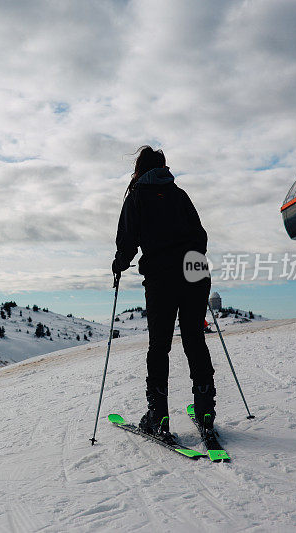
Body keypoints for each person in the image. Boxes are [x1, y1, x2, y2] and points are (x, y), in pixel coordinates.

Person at [111, 145, 216, 436]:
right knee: (195, 338)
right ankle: (206, 411)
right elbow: (200, 236)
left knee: (160, 346)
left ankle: (158, 417)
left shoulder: (137, 198)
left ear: (140, 168)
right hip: (194, 272)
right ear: (164, 167)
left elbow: (127, 241)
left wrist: (119, 264)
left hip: (161, 278)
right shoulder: (179, 194)